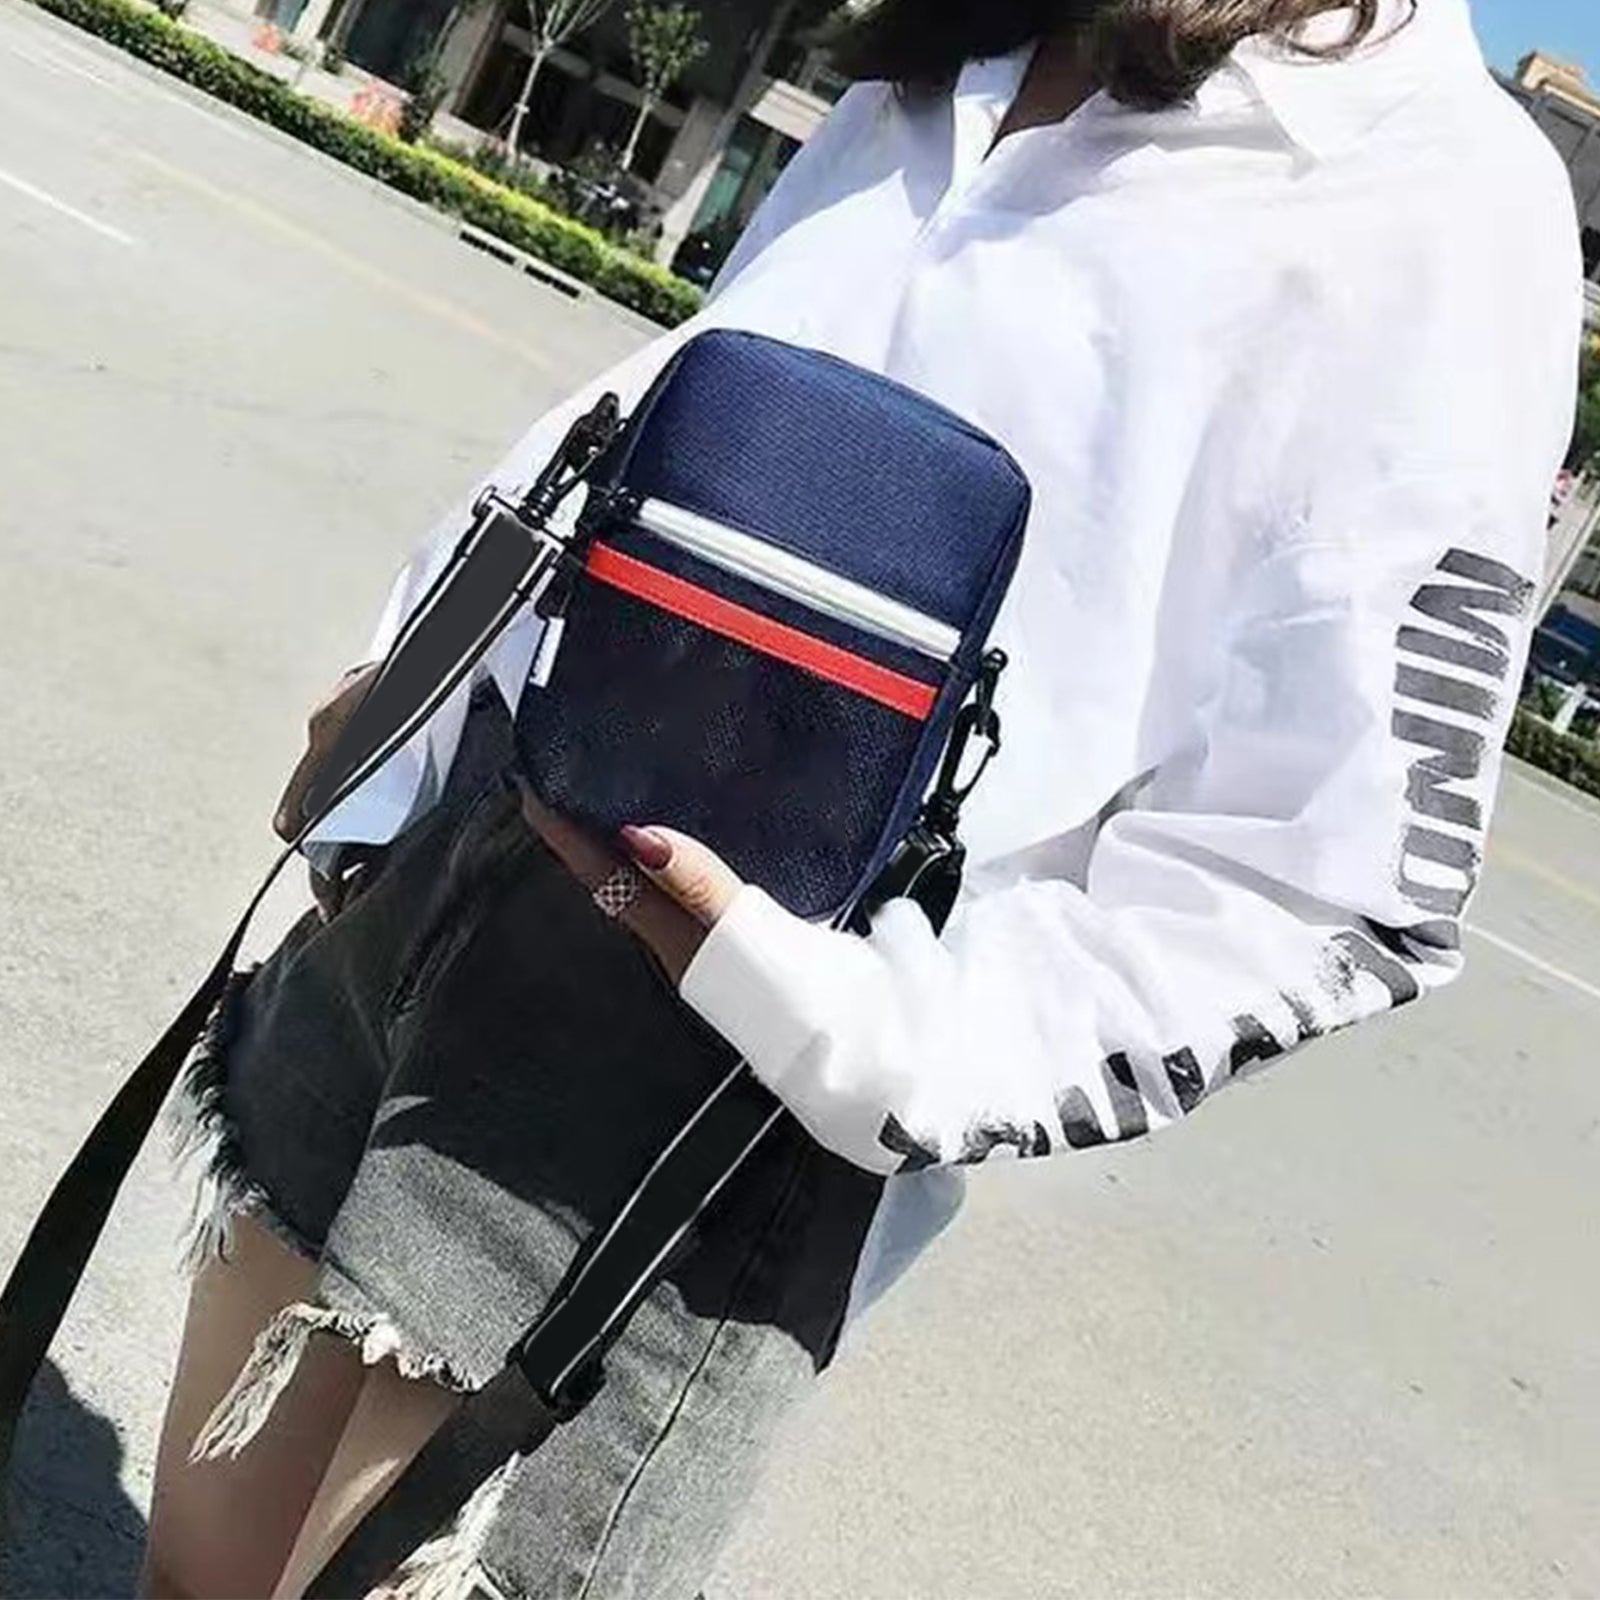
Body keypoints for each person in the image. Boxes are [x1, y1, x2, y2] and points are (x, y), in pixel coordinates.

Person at [140, 1, 1583, 1596]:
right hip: (449, 873)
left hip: (712, 1100)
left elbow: (1335, 879)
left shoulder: (1439, 202)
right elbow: (690, 406)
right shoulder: (959, 55)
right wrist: (414, 694)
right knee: (198, 1568)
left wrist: (856, 1034)